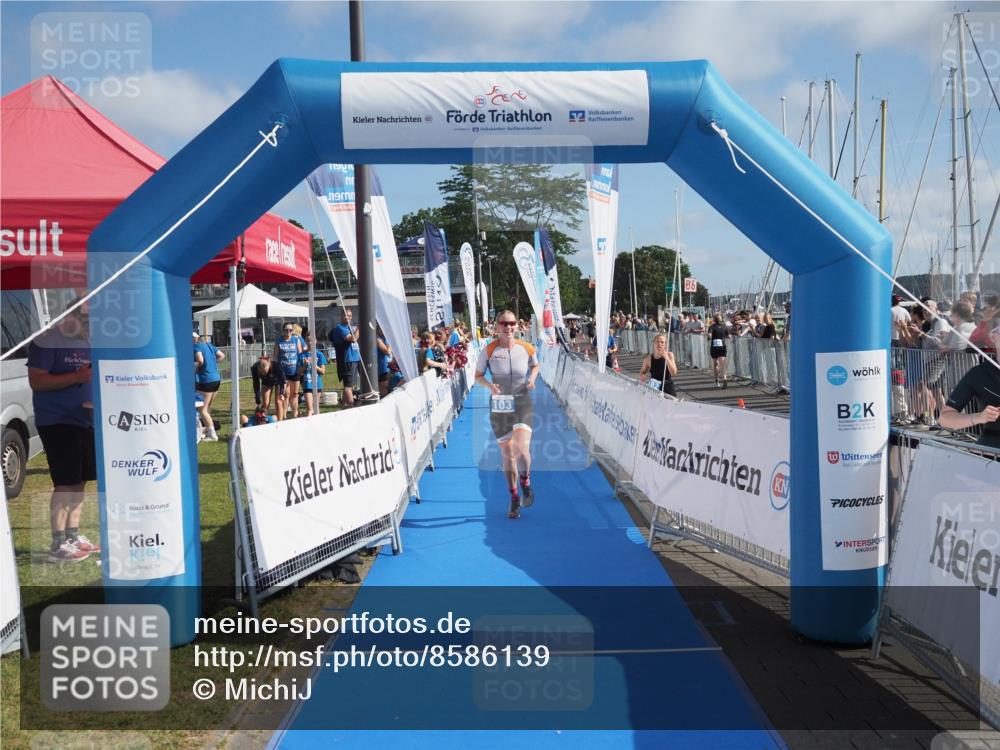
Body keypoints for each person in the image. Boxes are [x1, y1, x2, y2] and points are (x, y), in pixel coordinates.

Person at [27, 300, 101, 563]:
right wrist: (76, 378)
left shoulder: (89, 342)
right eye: (86, 321)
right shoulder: (47, 341)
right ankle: (57, 544)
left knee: (80, 481)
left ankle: (73, 536)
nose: (91, 327)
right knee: (65, 482)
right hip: (57, 421)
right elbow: (36, 380)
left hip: (86, 419)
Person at [475, 310, 539, 519]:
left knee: (521, 449)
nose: (508, 327)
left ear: (516, 326)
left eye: (512, 323)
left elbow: (535, 365)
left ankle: (525, 481)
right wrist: (489, 385)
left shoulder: (526, 348)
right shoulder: (489, 350)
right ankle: (513, 497)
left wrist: (532, 379)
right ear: (497, 326)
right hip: (500, 404)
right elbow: (477, 376)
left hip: (521, 401)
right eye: (504, 323)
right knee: (508, 455)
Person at [937, 316, 1000, 448]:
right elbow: (945, 418)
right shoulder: (979, 374)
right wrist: (979, 417)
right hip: (992, 453)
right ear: (993, 336)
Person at [193, 330, 225, 441]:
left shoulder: (196, 347)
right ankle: (207, 430)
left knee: (202, 409)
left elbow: (200, 360)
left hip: (206, 380)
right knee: (207, 407)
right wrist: (212, 364)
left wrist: (195, 369)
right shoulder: (209, 345)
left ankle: (212, 435)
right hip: (216, 379)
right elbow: (222, 356)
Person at [330, 308, 361, 407]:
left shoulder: (350, 327)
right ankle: (352, 406)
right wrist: (360, 327)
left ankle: (344, 405)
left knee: (349, 385)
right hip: (348, 360)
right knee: (348, 386)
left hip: (355, 358)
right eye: (346, 315)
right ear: (341, 316)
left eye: (350, 316)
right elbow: (353, 339)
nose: (348, 318)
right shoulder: (340, 328)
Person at [274, 322, 303, 418]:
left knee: (295, 393)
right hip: (283, 372)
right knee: (286, 394)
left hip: (295, 370)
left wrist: (302, 366)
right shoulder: (279, 341)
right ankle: (284, 415)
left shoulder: (296, 340)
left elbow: (300, 354)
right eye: (286, 330)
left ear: (292, 331)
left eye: (290, 330)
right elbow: (275, 357)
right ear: (283, 331)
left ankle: (294, 414)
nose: (288, 332)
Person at [251, 354, 286, 420]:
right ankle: (263, 420)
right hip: (266, 382)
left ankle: (280, 421)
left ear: (269, 366)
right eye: (261, 372)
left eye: (265, 372)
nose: (263, 374)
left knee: (278, 402)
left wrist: (281, 393)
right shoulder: (255, 368)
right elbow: (256, 383)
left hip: (278, 381)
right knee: (265, 403)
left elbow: (282, 380)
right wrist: (257, 398)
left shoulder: (276, 366)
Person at [299, 335, 327, 417]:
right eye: (308, 340)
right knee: (309, 408)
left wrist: (315, 366)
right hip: (307, 384)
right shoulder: (302, 355)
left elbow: (323, 371)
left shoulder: (319, 354)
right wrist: (305, 365)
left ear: (315, 341)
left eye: (311, 340)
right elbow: (299, 372)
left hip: (317, 384)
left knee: (316, 407)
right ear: (305, 342)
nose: (310, 342)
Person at [707, 313, 730, 388]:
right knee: (722, 363)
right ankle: (724, 378)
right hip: (722, 346)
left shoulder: (711, 327)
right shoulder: (724, 326)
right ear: (721, 319)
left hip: (714, 346)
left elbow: (709, 336)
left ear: (714, 319)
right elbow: (729, 336)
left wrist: (708, 338)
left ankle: (717, 381)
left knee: (715, 363)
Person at [376, 326, 392, 397]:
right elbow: (387, 351)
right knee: (384, 390)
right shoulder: (378, 339)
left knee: (386, 388)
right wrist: (390, 344)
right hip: (383, 368)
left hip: (386, 367)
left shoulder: (384, 339)